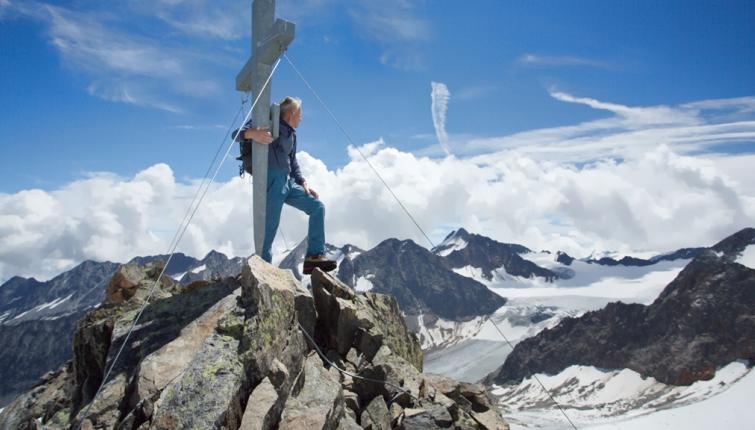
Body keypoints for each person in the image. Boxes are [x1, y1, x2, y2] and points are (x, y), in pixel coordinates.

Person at [236, 96, 337, 274]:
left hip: (288, 182)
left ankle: (314, 257)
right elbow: (236, 134)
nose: (301, 117)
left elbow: (292, 160)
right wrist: (253, 134)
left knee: (317, 207)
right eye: (300, 113)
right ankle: (263, 269)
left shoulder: (292, 134)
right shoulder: (266, 122)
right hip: (272, 181)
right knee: (269, 228)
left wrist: (302, 181)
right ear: (291, 113)